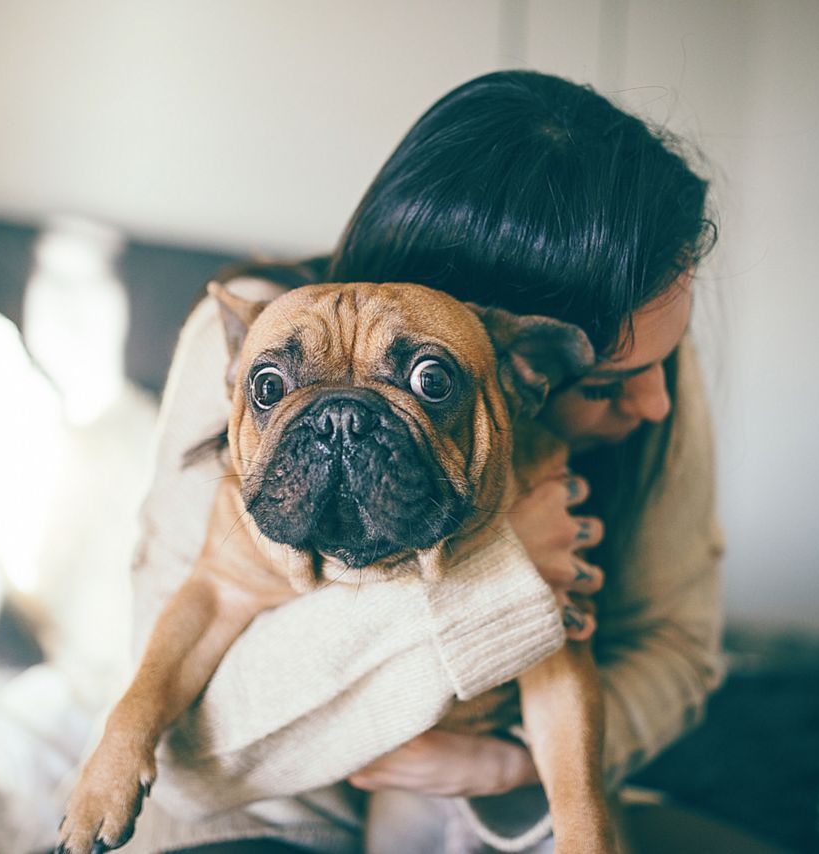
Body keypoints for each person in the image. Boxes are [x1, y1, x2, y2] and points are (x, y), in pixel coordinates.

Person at [125, 69, 724, 853]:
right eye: (607, 382)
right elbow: (184, 753)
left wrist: (503, 768)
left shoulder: (643, 339)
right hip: (259, 819)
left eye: (668, 365)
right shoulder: (253, 335)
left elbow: (679, 648)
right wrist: (494, 577)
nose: (657, 406)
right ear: (507, 356)